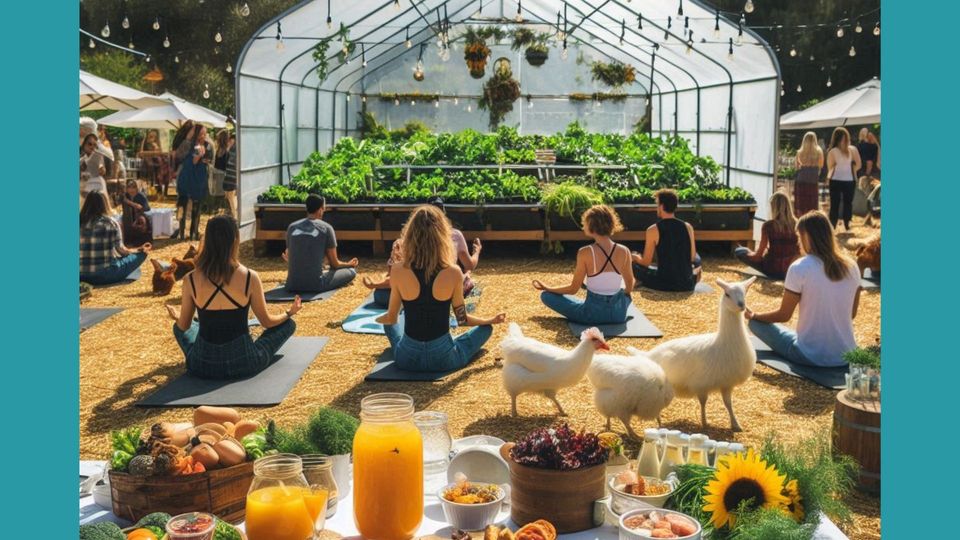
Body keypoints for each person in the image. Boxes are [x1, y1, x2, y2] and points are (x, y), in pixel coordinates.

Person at [166, 215, 300, 380]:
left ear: (207, 240)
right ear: (235, 240)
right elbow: (267, 322)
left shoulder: (191, 279)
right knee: (288, 325)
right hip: (244, 362)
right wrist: (289, 313)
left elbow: (184, 326)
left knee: (178, 328)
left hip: (202, 364)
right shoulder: (250, 276)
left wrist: (177, 317)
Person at [375, 205, 506, 372]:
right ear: (443, 236)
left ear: (409, 236)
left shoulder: (398, 269)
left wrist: (379, 319)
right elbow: (462, 320)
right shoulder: (453, 272)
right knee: (485, 329)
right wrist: (489, 320)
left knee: (389, 325)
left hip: (407, 359)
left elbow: (391, 318)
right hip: (444, 359)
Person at [745, 211, 862, 367]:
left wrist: (754, 315)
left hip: (809, 355)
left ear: (807, 237)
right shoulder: (852, 266)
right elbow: (851, 314)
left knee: (755, 324)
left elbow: (784, 315)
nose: (798, 243)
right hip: (845, 355)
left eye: (799, 237)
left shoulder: (800, 268)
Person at [533, 205, 635, 324]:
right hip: (618, 315)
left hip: (592, 316)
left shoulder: (585, 252)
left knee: (546, 296)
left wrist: (548, 288)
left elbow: (573, 289)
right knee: (625, 297)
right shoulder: (624, 251)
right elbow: (629, 286)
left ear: (591, 226)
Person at [282, 194, 358, 293]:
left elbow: (292, 254)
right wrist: (349, 264)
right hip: (316, 285)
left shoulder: (291, 227)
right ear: (320, 209)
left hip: (292, 284)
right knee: (351, 272)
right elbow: (335, 264)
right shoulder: (326, 228)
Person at [631, 188, 701, 292]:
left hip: (664, 283)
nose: (656, 208)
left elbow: (645, 262)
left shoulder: (652, 230)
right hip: (687, 283)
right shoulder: (688, 227)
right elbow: (691, 257)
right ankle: (695, 274)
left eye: (657, 205)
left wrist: (635, 257)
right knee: (698, 258)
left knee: (632, 263)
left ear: (662, 206)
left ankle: (638, 280)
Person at [80, 191, 151, 285]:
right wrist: (138, 250)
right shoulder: (110, 223)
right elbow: (122, 251)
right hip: (105, 275)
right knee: (142, 254)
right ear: (105, 204)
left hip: (81, 276)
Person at [734, 192, 800, 280]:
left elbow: (758, 256)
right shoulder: (797, 224)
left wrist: (749, 254)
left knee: (740, 250)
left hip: (772, 269)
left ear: (774, 207)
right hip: (791, 270)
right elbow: (799, 251)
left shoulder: (768, 226)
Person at [175, 124, 213, 241]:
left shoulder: (207, 145)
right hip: (187, 176)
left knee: (197, 206)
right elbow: (187, 159)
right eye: (201, 133)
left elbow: (210, 159)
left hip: (199, 177)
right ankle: (181, 233)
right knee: (182, 205)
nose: (203, 136)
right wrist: (198, 156)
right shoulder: (188, 144)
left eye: (205, 133)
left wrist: (206, 159)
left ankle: (193, 233)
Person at [825, 127, 862, 232]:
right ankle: (847, 224)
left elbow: (830, 167)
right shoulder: (852, 149)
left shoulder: (832, 151)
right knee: (848, 203)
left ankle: (833, 225)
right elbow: (859, 165)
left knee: (835, 203)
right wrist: (850, 169)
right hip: (849, 180)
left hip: (835, 179)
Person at [794, 131, 824, 217]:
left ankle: (801, 219)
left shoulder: (799, 152)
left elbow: (796, 167)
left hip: (801, 179)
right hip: (813, 179)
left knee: (801, 203)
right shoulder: (819, 151)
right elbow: (821, 165)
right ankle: (812, 220)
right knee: (812, 203)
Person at [120, 180, 152, 248]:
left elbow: (147, 208)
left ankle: (137, 242)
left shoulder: (141, 196)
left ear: (137, 188)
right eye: (129, 187)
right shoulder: (125, 196)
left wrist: (131, 203)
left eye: (133, 187)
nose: (131, 190)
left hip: (139, 218)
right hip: (128, 219)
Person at [221, 133, 238, 219]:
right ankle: (232, 214)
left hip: (232, 177)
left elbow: (230, 163)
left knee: (231, 197)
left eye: (230, 140)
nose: (228, 142)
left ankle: (234, 215)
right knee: (229, 196)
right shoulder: (232, 150)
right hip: (229, 177)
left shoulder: (233, 150)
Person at [212, 130, 232, 201]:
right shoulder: (226, 152)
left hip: (216, 175)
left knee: (218, 195)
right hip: (223, 176)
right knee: (222, 197)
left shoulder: (218, 150)